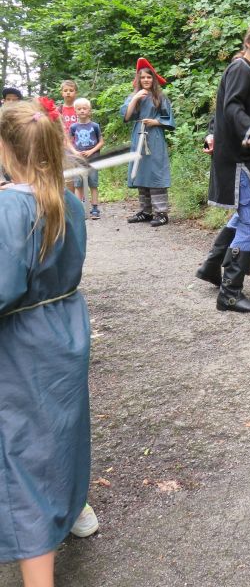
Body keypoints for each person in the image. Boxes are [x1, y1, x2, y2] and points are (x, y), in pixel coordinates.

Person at [0, 100, 98, 587]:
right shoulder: (68, 199)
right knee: (62, 429)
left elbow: (4, 286)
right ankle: (74, 504)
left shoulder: (8, 207)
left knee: (23, 449)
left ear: (4, 148)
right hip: (65, 329)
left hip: (23, 340)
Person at [196, 21, 250, 313]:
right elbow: (231, 108)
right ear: (249, 44)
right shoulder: (242, 69)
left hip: (232, 155)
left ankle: (211, 267)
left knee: (243, 215)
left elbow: (223, 107)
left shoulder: (241, 69)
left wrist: (212, 132)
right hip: (238, 159)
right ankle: (230, 293)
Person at [121, 58, 175, 227]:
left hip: (154, 137)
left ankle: (161, 213)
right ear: (138, 80)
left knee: (155, 172)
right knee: (141, 171)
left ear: (153, 80)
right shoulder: (133, 96)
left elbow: (169, 118)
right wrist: (135, 98)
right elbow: (127, 116)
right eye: (142, 77)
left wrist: (156, 122)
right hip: (139, 135)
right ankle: (146, 211)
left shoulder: (160, 97)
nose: (146, 80)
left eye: (149, 77)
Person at [69, 97, 104, 219]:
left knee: (93, 183)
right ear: (75, 111)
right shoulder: (73, 127)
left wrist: (91, 151)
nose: (82, 111)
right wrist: (75, 152)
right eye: (79, 109)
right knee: (78, 184)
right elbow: (68, 142)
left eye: (84, 108)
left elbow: (100, 142)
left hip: (93, 158)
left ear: (89, 110)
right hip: (78, 160)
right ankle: (80, 209)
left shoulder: (94, 126)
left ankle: (94, 208)